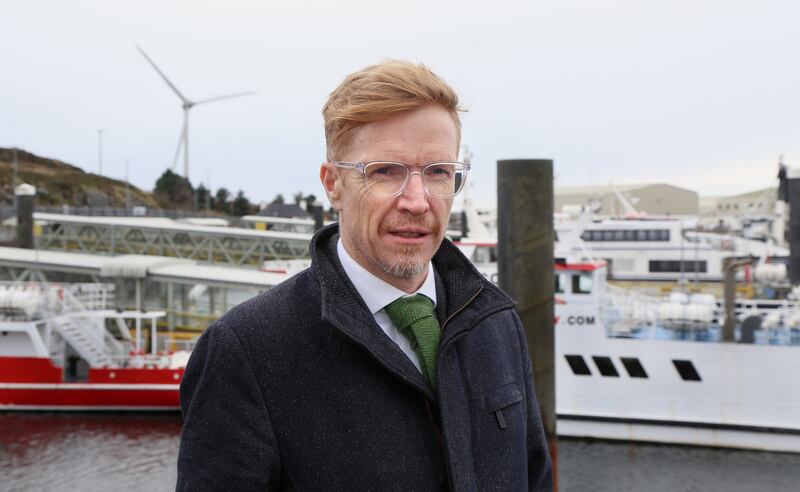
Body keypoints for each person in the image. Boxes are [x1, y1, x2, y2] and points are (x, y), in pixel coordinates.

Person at [177, 60, 553, 491]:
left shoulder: (496, 322)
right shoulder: (247, 351)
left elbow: (534, 477)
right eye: (385, 171)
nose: (416, 201)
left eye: (438, 173)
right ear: (333, 184)